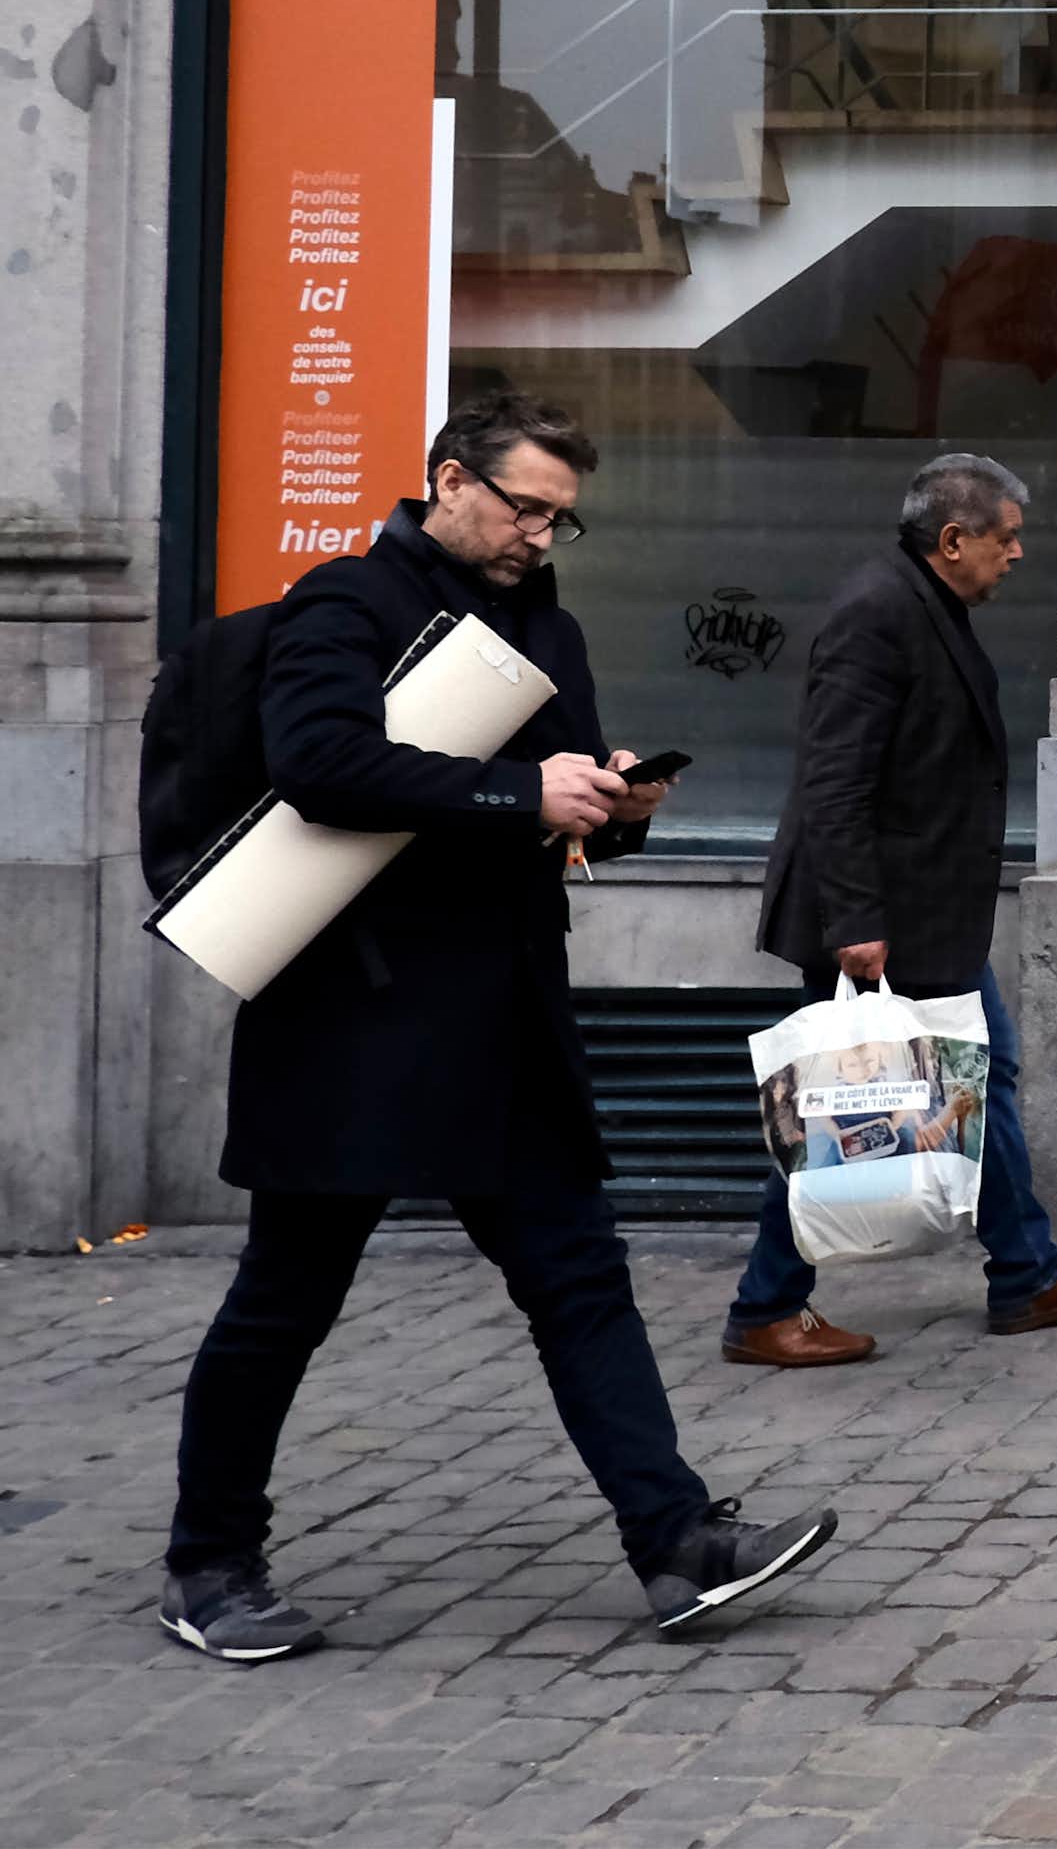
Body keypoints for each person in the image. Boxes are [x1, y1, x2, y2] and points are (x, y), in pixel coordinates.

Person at [161, 393, 838, 1663]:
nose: (539, 533)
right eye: (524, 506)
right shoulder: (344, 604)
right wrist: (518, 789)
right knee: (284, 1301)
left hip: (506, 1018)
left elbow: (556, 801)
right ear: (446, 479)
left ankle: (678, 1545)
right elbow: (322, 765)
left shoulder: (548, 626)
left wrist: (609, 799)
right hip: (351, 1018)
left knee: (580, 1278)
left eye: (559, 518)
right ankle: (208, 1565)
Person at [724, 452, 1057, 1362]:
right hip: (886, 919)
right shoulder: (878, 612)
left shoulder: (921, 601)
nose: (1019, 554)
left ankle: (1027, 1272)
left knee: (977, 1079)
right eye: (1007, 538)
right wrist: (857, 922)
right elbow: (834, 782)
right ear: (952, 540)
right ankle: (766, 1305)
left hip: (922, 911)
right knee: (836, 1100)